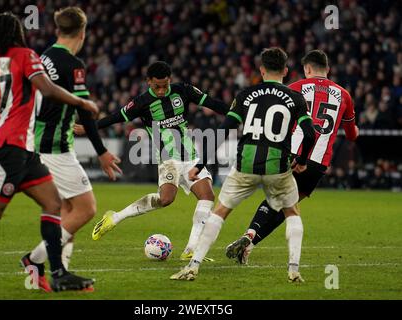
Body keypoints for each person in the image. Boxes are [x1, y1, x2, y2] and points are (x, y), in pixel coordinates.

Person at [0, 12, 98, 292]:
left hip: (24, 148)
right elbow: (46, 89)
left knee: (53, 204)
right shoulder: (25, 55)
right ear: (16, 33)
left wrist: (11, 109)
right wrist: (81, 103)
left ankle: (58, 273)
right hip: (9, 148)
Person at [170, 47, 316, 282]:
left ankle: (193, 266)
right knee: (292, 212)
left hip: (245, 165)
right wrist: (302, 161)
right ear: (286, 71)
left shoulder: (246, 94)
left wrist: (201, 164)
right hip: (277, 167)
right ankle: (293, 269)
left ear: (261, 70)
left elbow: (222, 131)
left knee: (220, 211)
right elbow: (309, 133)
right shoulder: (296, 98)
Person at [75, 61, 229, 261]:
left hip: (191, 156)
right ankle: (114, 217)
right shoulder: (142, 102)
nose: (162, 90)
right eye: (157, 86)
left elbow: (214, 104)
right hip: (168, 159)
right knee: (165, 199)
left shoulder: (184, 91)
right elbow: (116, 117)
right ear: (148, 82)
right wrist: (90, 127)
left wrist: (239, 112)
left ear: (170, 80)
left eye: (165, 85)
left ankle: (191, 249)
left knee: (207, 196)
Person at [20, 7, 122, 291]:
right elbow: (85, 112)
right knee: (86, 209)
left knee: (67, 210)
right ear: (83, 32)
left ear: (57, 30)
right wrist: (101, 151)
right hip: (55, 147)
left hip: (37, 141)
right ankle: (34, 259)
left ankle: (60, 273)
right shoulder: (72, 63)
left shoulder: (43, 57)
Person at [226, 50, 359, 265]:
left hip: (293, 154)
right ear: (328, 69)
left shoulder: (294, 88)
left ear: (307, 69)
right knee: (287, 202)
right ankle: (249, 245)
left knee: (277, 199)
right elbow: (352, 135)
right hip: (318, 163)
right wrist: (355, 130)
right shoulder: (344, 94)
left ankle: (250, 235)